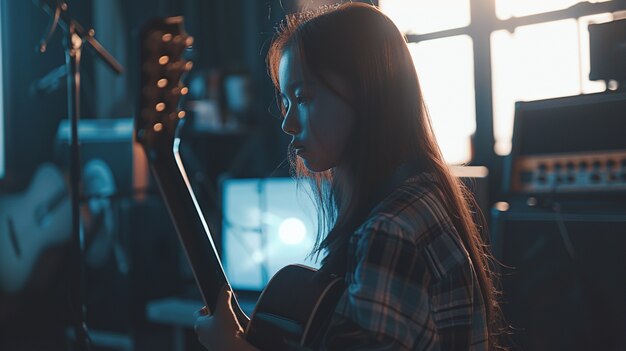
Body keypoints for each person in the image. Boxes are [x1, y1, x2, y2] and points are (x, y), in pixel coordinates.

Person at [194, 3, 503, 350]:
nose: (287, 124)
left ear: (367, 91)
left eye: (303, 97)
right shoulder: (422, 194)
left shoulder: (389, 229)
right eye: (286, 102)